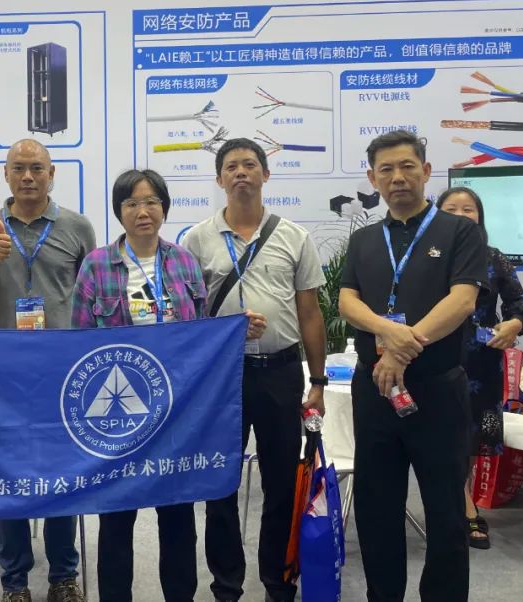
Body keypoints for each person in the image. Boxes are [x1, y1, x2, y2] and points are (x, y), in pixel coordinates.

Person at [338, 130, 486, 601]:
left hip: (437, 389)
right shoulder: (364, 239)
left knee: (445, 512)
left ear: (426, 171)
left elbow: (462, 301)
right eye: (386, 169)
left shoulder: (460, 231)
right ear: (372, 179)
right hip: (375, 391)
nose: (397, 177)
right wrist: (388, 331)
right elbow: (347, 301)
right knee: (377, 509)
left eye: (407, 166)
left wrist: (400, 350)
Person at [182, 138, 326, 602]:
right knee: (220, 482)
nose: (240, 172)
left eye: (249, 164)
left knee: (281, 482)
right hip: (221, 376)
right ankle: (226, 585)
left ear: (266, 174)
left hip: (280, 372)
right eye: (231, 166)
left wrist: (318, 381)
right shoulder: (196, 240)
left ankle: (278, 582)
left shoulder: (294, 236)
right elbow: (188, 318)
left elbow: (310, 314)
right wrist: (228, 330)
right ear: (219, 179)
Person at [0, 138, 96, 602]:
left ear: (51, 173)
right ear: (5, 174)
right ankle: (15, 581)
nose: (27, 177)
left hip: (62, 369)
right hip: (2, 371)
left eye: (36, 168)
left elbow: (93, 295)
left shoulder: (77, 227)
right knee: (9, 475)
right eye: (18, 168)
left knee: (63, 473)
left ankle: (63, 576)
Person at [70, 169, 205, 602]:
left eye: (151, 202)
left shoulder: (184, 261)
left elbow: (202, 335)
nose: (142, 211)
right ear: (119, 211)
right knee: (116, 517)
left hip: (176, 411)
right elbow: (79, 343)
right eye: (131, 203)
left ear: (164, 207)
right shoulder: (96, 265)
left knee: (178, 515)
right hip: (119, 415)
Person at [437, 186, 523, 550]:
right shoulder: (426, 255)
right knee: (442, 434)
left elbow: (521, 304)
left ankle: (460, 501)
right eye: (452, 209)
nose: (461, 215)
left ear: (480, 216)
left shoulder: (492, 257)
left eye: (469, 209)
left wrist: (513, 324)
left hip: (480, 362)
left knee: (469, 437)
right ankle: (461, 505)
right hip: (434, 356)